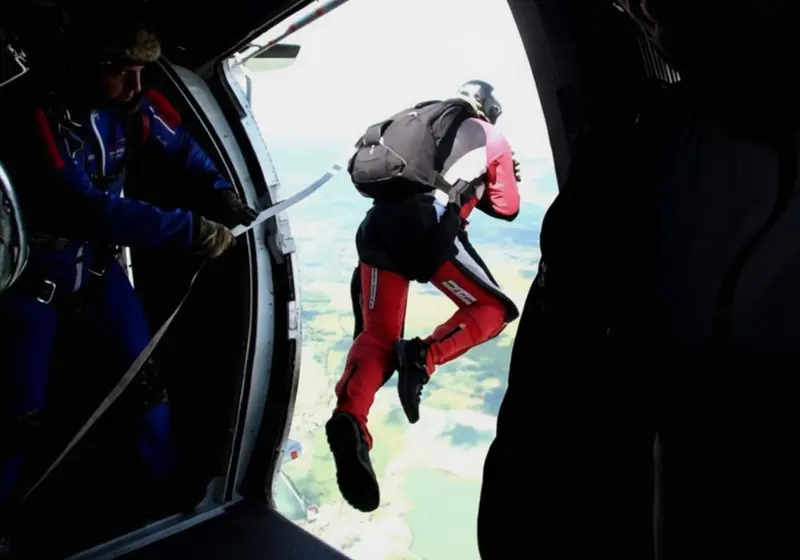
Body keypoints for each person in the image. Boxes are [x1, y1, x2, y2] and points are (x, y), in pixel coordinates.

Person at [0, 22, 257, 544]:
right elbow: (82, 208)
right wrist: (190, 230)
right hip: (34, 282)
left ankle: (159, 495)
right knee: (15, 416)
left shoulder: (132, 110)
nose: (135, 87)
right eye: (122, 73)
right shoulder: (36, 116)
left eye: (140, 73)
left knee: (144, 384)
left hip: (96, 273)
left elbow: (182, 148)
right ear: (86, 67)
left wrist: (221, 193)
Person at [325, 80, 523, 513]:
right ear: (489, 110)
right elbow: (507, 207)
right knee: (493, 309)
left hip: (378, 226)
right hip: (427, 228)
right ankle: (423, 357)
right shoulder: (489, 135)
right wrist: (503, 172)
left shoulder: (418, 120)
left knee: (377, 335)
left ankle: (350, 419)